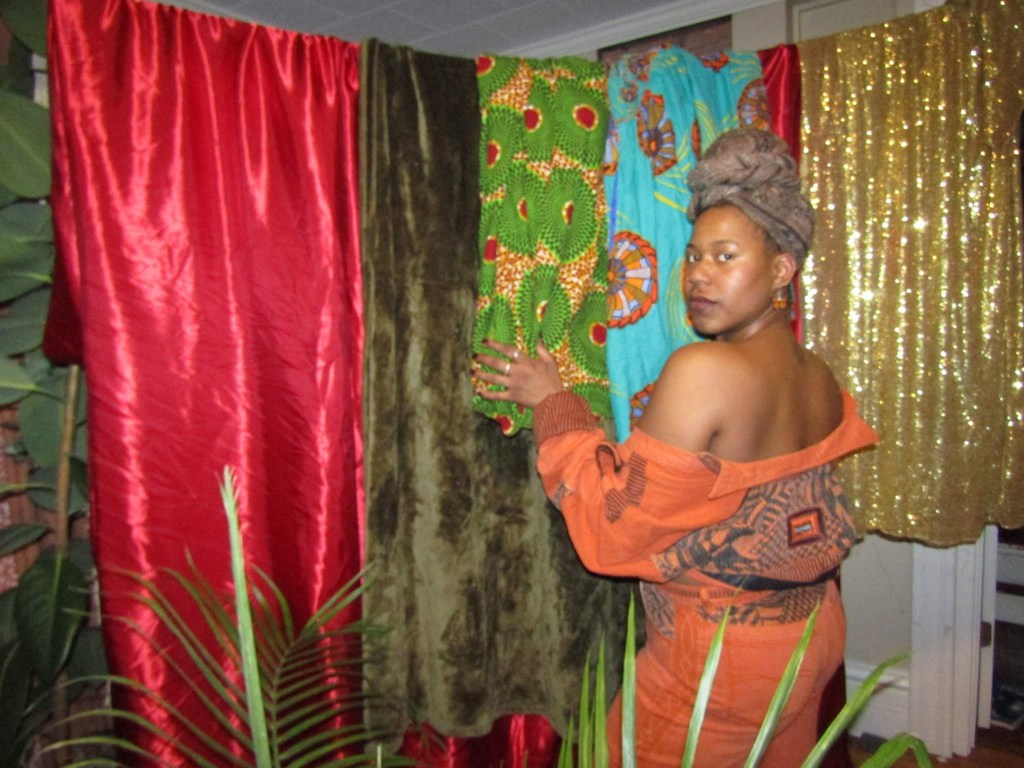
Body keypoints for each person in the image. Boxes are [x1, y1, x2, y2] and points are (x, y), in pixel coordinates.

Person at [472, 127, 878, 767]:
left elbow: (613, 532)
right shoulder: (817, 374)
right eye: (692, 256)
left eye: (725, 257)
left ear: (781, 270)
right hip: (813, 633)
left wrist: (554, 402)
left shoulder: (703, 370)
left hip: (724, 657)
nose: (698, 276)